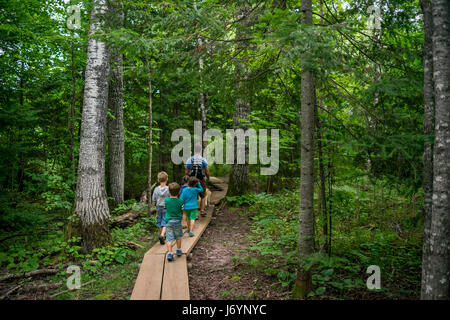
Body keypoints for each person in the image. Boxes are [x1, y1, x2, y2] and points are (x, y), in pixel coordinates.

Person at [185, 143, 210, 217]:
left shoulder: (190, 159)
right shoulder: (203, 160)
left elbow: (186, 172)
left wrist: (188, 177)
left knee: (193, 196)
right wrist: (208, 177)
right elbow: (207, 172)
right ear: (200, 150)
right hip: (201, 179)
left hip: (192, 180)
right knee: (203, 195)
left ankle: (195, 214)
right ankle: (202, 211)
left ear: (194, 150)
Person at [164, 182, 184, 261]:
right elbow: (182, 210)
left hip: (169, 222)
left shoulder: (166, 200)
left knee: (169, 238)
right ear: (179, 192)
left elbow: (165, 208)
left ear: (169, 191)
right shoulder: (181, 201)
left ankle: (170, 253)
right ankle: (178, 250)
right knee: (178, 236)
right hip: (177, 222)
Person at [152, 171, 170, 245]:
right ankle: (162, 235)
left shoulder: (156, 189)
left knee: (159, 221)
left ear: (158, 180)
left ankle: (162, 235)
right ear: (167, 179)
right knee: (165, 221)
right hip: (166, 206)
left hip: (158, 206)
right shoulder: (168, 188)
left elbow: (154, 199)